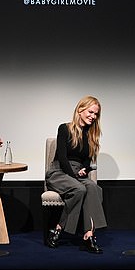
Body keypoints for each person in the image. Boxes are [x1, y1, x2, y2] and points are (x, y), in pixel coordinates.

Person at [45, 95, 107, 254]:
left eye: (96, 114)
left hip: (77, 174)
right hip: (59, 171)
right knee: (80, 189)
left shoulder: (91, 135)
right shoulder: (64, 128)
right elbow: (63, 157)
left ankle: (89, 235)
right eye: (91, 112)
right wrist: (73, 175)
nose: (93, 117)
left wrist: (84, 170)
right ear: (80, 110)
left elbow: (87, 160)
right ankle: (58, 229)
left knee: (93, 188)